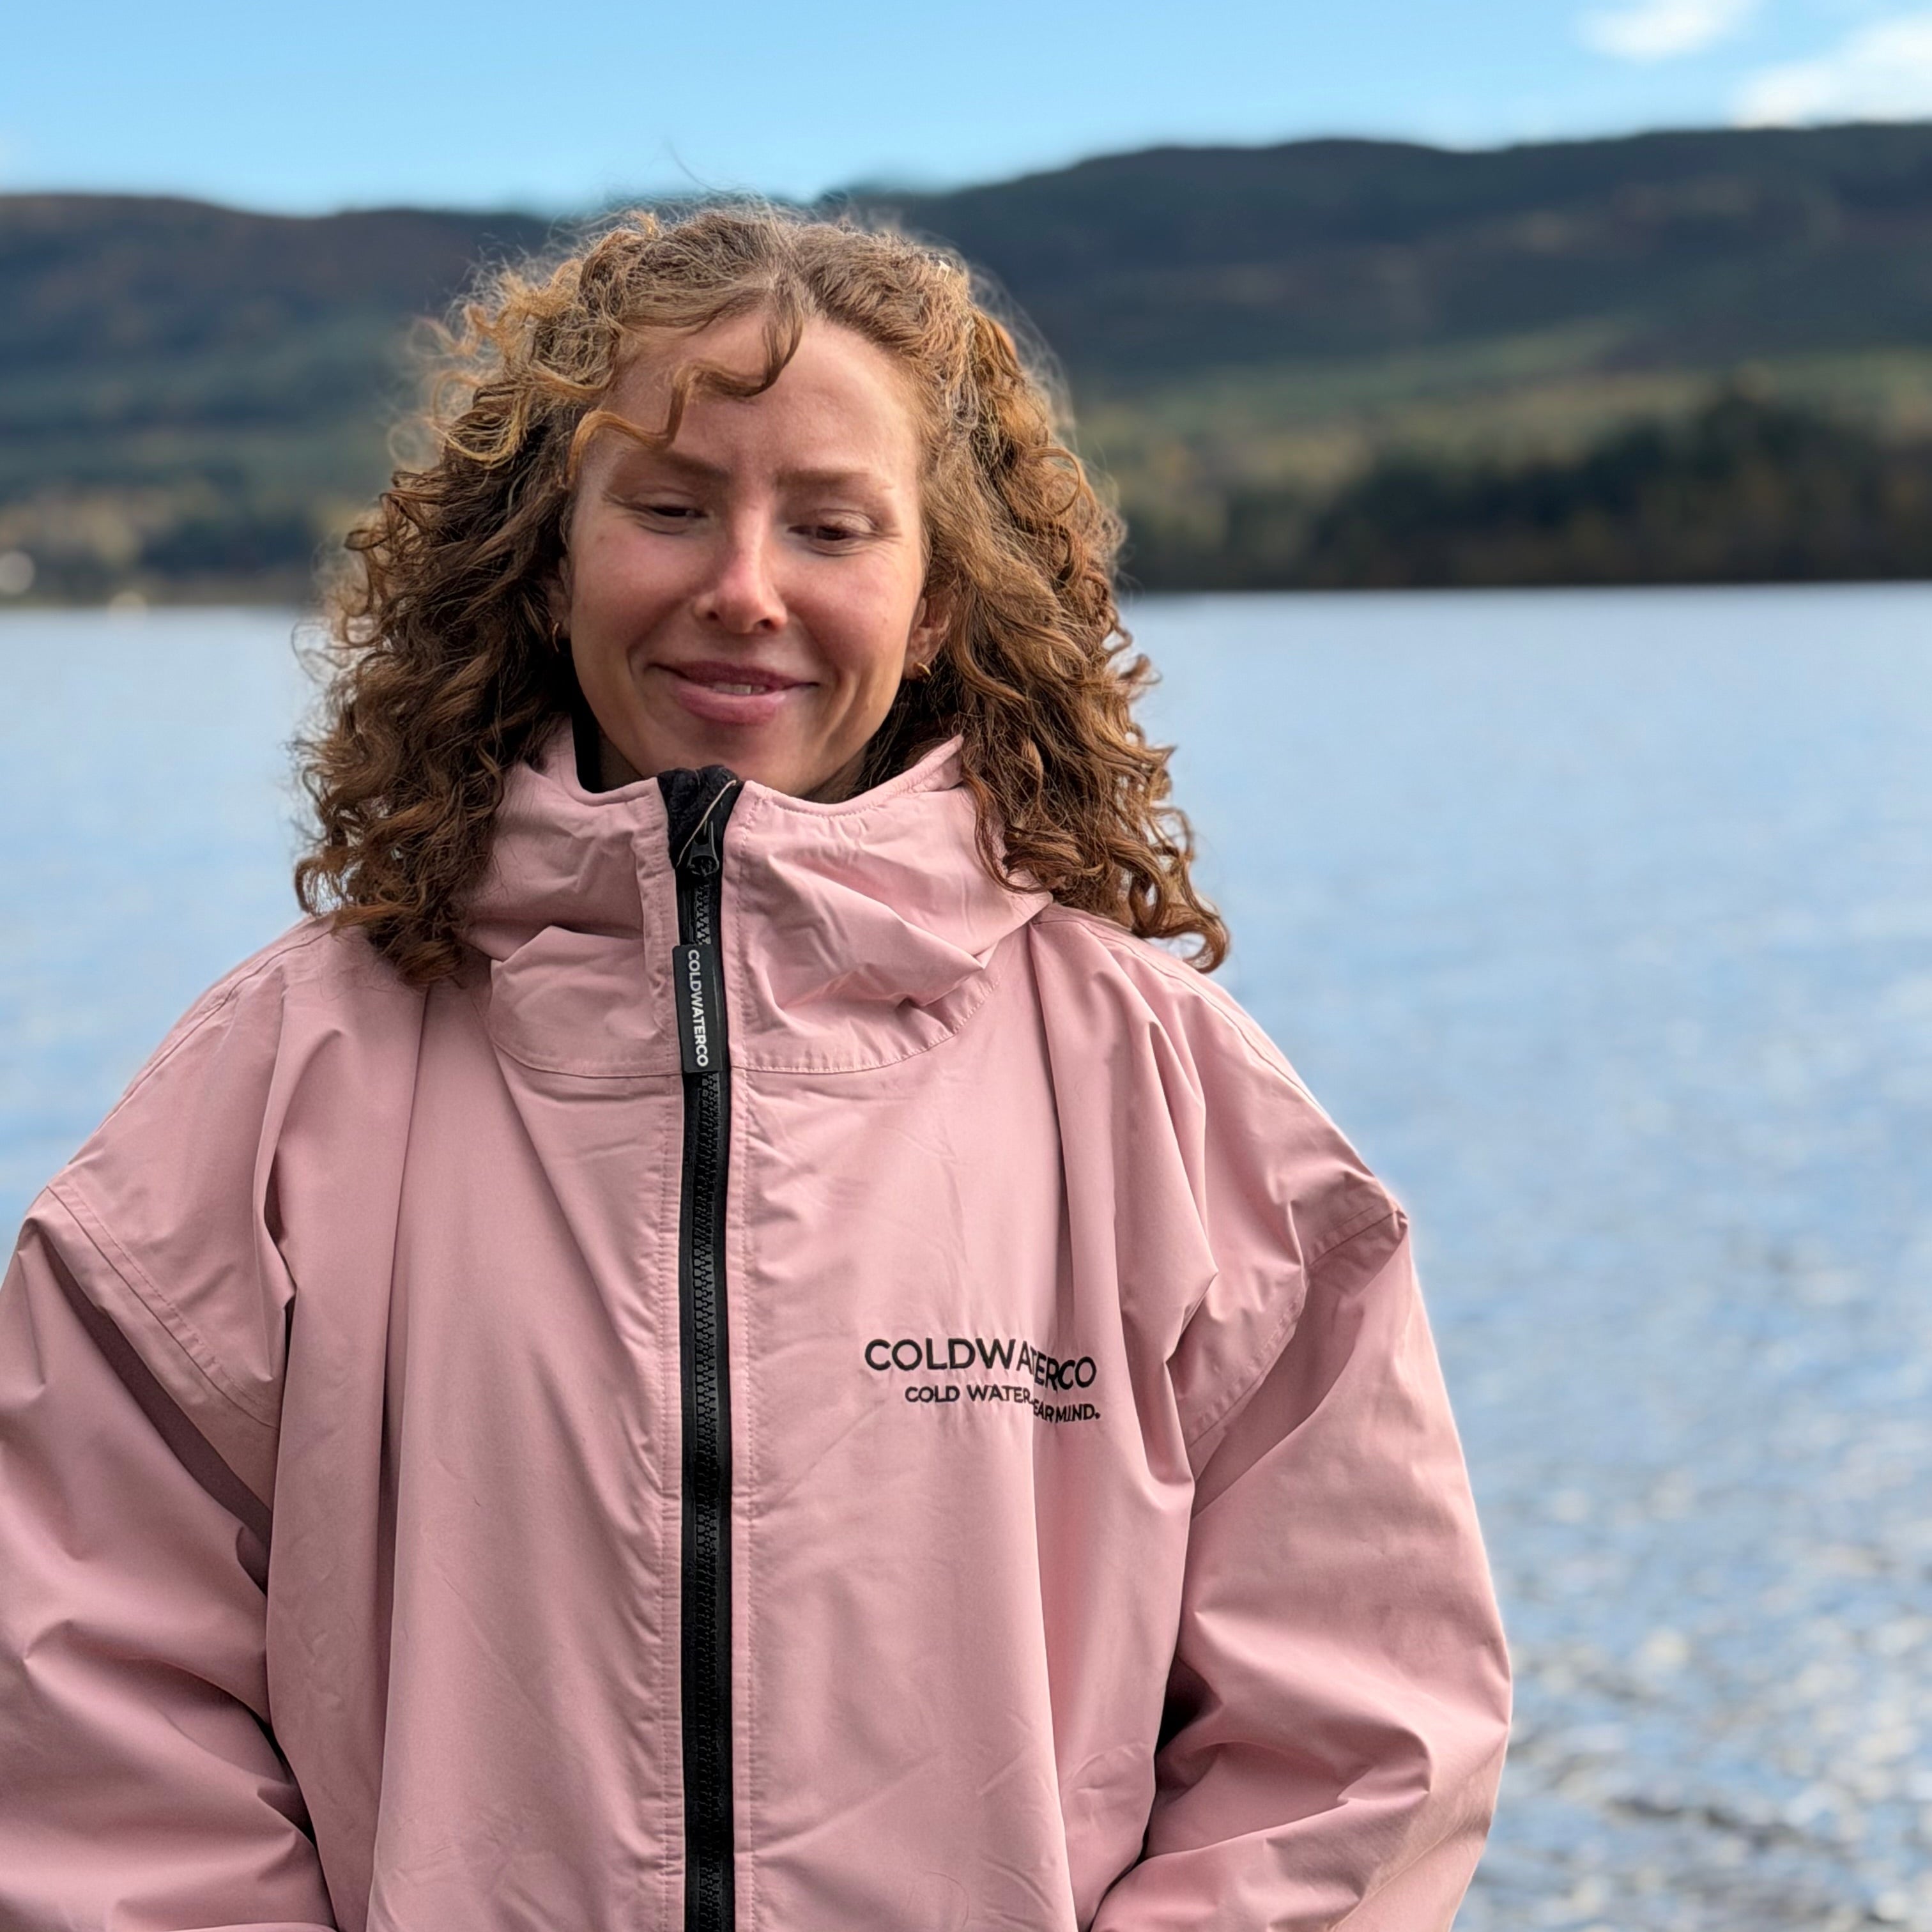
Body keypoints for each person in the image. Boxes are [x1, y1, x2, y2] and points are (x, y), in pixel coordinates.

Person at [0, 206, 1509, 1931]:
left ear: (934, 597)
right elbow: (74, 1697)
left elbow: (1361, 1740)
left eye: (829, 523)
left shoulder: (1164, 1102)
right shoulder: (282, 1083)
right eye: (668, 505)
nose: (743, 585)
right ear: (548, 560)